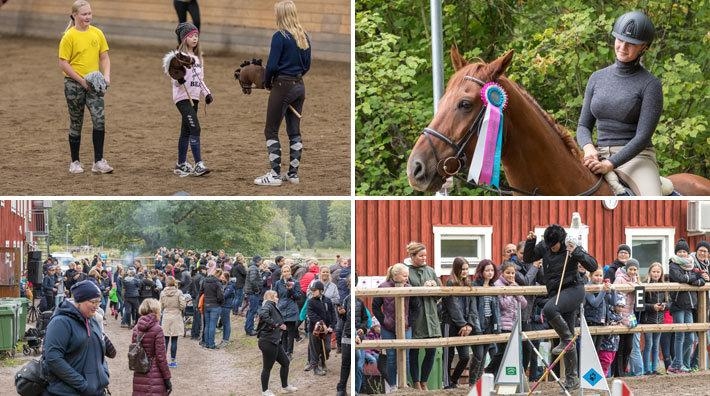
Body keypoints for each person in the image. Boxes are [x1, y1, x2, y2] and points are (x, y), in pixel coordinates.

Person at [576, 10, 663, 195]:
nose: (623, 46)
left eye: (631, 43)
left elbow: (642, 137)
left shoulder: (650, 85)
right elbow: (583, 125)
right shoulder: (596, 78)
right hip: (597, 155)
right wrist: (588, 147)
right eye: (619, 40)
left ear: (644, 47)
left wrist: (610, 164)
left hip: (636, 158)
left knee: (653, 203)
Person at [523, 225, 598, 390]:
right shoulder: (545, 245)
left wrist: (577, 251)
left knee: (549, 310)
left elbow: (593, 266)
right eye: (549, 245)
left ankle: (566, 341)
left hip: (573, 290)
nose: (551, 248)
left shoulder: (571, 246)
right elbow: (528, 258)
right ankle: (572, 379)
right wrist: (530, 242)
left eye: (554, 245)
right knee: (569, 334)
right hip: (556, 293)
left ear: (561, 240)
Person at [254, 0, 311, 186]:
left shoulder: (279, 36)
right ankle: (293, 174)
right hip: (299, 86)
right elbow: (306, 66)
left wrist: (268, 82)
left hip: (282, 85)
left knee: (270, 130)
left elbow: (271, 65)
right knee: (294, 131)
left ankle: (275, 175)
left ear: (281, 15)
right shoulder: (304, 36)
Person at [58, 0, 113, 175]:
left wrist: (106, 76)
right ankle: (75, 162)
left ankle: (98, 161)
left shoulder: (97, 33)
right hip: (74, 85)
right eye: (84, 14)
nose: (88, 17)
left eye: (90, 13)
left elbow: (104, 57)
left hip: (95, 84)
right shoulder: (69, 36)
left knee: (99, 121)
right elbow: (63, 63)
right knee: (76, 123)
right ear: (75, 15)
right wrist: (82, 82)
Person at [43, 280, 110, 395]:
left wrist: (104, 373)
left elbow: (99, 352)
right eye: (93, 302)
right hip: (68, 392)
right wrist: (83, 385)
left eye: (98, 302)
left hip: (96, 391)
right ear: (79, 301)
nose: (97, 306)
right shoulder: (61, 322)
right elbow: (53, 358)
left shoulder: (92, 320)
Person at [168, 22, 213, 177]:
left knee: (186, 131)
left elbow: (200, 80)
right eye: (191, 36)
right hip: (182, 98)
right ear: (184, 38)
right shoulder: (179, 58)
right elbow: (174, 75)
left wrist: (206, 93)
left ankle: (180, 164)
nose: (195, 38)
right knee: (195, 128)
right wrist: (178, 80)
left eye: (196, 36)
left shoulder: (198, 59)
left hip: (194, 99)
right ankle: (199, 164)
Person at [371, 263, 418, 392]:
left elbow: (416, 307)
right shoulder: (383, 287)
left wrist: (410, 322)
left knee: (406, 356)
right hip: (388, 328)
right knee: (391, 357)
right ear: (395, 275)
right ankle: (392, 385)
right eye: (404, 276)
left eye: (407, 276)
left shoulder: (409, 288)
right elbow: (375, 306)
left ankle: (405, 384)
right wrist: (384, 321)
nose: (406, 279)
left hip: (406, 327)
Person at [668, 238, 708, 373]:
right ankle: (678, 364)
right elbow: (680, 278)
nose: (682, 254)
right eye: (679, 251)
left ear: (687, 253)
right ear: (676, 252)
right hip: (678, 304)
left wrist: (696, 280)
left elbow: (701, 278)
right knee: (680, 335)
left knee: (690, 337)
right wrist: (693, 279)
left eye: (684, 251)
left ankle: (681, 364)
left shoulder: (691, 265)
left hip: (690, 305)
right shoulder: (673, 265)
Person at [406, 241, 441, 391]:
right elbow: (405, 292)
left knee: (431, 350)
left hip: (431, 316)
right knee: (414, 350)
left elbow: (440, 293)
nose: (424, 258)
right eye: (421, 256)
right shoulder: (406, 271)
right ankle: (415, 382)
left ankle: (424, 381)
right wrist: (421, 289)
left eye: (425, 255)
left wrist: (435, 288)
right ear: (412, 256)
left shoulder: (431, 271)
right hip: (416, 316)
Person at [440, 257, 480, 389]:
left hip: (465, 326)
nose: (465, 271)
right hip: (450, 324)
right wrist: (462, 324)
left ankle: (453, 380)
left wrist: (469, 324)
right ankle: (446, 384)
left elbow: (473, 306)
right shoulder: (450, 283)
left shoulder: (469, 284)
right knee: (448, 355)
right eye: (462, 269)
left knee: (464, 356)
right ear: (456, 269)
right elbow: (453, 306)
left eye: (467, 269)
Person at [486, 261, 527, 375]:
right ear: (502, 273)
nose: (511, 275)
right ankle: (489, 372)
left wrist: (516, 291)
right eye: (508, 273)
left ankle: (497, 375)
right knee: (502, 352)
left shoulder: (514, 284)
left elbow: (524, 304)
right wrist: (510, 292)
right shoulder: (498, 285)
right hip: (503, 323)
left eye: (513, 273)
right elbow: (502, 305)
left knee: (509, 352)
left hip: (514, 324)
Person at [257, 290, 299, 396]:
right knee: (267, 367)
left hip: (275, 341)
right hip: (267, 341)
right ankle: (265, 391)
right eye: (275, 296)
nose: (277, 298)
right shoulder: (268, 304)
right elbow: (263, 314)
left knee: (285, 362)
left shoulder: (272, 306)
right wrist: (275, 325)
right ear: (270, 297)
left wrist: (279, 325)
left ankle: (285, 387)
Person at [469, 259, 501, 385]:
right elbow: (473, 307)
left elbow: (496, 308)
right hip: (478, 322)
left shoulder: (494, 287)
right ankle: (472, 381)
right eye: (487, 270)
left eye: (492, 270)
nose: (490, 273)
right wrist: (475, 324)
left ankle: (478, 380)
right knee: (478, 354)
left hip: (489, 322)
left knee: (485, 353)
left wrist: (496, 325)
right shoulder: (475, 285)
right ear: (481, 271)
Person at [131, 298, 172, 395]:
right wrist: (167, 378)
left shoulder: (136, 328)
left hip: (139, 371)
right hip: (154, 374)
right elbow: (161, 357)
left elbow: (134, 351)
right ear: (156, 311)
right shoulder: (158, 329)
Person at [613, 258, 643, 376]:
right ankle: (618, 372)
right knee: (620, 346)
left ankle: (624, 369)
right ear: (627, 268)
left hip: (630, 315)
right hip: (620, 314)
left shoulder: (636, 279)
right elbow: (615, 293)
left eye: (635, 269)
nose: (632, 271)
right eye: (631, 269)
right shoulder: (619, 279)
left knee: (629, 346)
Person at [641, 262, 669, 375]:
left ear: (661, 273)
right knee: (649, 344)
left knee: (656, 345)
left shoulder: (665, 286)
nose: (656, 274)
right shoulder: (644, 284)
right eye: (654, 271)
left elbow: (669, 302)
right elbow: (640, 304)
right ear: (650, 272)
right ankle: (646, 369)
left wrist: (664, 306)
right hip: (648, 319)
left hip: (660, 319)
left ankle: (654, 368)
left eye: (658, 272)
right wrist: (652, 307)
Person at [306, 280, 336, 376]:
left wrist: (331, 326)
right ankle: (315, 368)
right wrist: (322, 323)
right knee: (314, 349)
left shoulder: (328, 301)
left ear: (321, 291)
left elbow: (332, 314)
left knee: (327, 348)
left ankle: (323, 362)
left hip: (327, 330)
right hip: (314, 329)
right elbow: (311, 315)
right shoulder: (310, 302)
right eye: (312, 290)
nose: (313, 292)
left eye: (315, 290)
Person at [273, 265, 301, 359]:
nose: (286, 273)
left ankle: (289, 352)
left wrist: (291, 290)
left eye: (287, 271)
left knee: (290, 332)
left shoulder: (295, 282)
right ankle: (284, 351)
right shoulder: (278, 283)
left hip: (291, 309)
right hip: (281, 309)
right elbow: (275, 295)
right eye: (284, 271)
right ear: (282, 273)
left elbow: (298, 296)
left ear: (290, 272)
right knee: (283, 332)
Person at [159, 276, 186, 368]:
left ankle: (164, 360)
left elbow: (160, 305)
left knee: (165, 340)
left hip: (166, 315)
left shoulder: (162, 293)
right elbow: (183, 305)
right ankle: (173, 361)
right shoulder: (179, 292)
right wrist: (179, 309)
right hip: (176, 316)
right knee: (174, 339)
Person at [201, 267, 224, 349]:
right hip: (215, 305)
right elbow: (220, 296)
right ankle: (211, 344)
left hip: (206, 304)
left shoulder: (205, 281)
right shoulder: (217, 283)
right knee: (212, 325)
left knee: (207, 325)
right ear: (220, 275)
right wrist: (221, 303)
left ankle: (206, 343)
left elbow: (201, 292)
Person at [219, 272, 236, 347]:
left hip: (226, 306)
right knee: (224, 322)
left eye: (222, 277)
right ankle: (224, 339)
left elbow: (225, 295)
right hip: (223, 305)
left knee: (226, 323)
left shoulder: (230, 286)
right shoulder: (223, 284)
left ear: (226, 278)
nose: (221, 278)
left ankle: (226, 339)